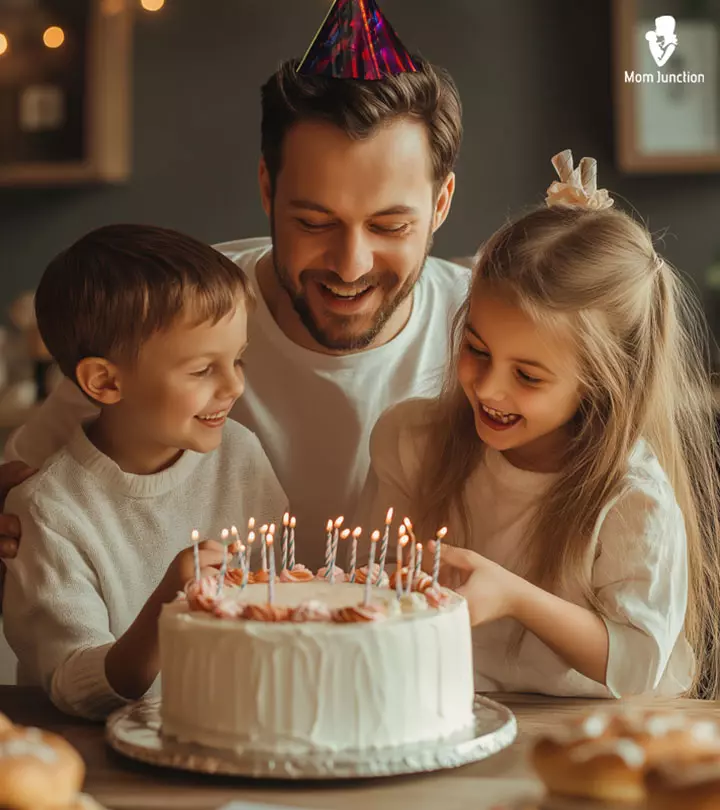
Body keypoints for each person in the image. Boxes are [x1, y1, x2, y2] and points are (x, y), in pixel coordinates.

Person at [0, 56, 466, 573]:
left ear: (441, 202)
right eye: (313, 223)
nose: (350, 265)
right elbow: (22, 480)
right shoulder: (175, 309)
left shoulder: (488, 331)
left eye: (390, 226)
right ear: (267, 187)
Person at [362, 150, 720, 699]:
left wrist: (512, 596)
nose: (487, 388)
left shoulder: (631, 499)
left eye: (527, 377)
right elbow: (374, 579)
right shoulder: (412, 440)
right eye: (476, 349)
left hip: (586, 727)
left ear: (601, 383)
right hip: (444, 707)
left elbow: (639, 663)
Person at [2, 224, 287, 718]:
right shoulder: (48, 511)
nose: (235, 386)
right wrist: (166, 607)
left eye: (237, 360)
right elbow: (75, 686)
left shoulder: (240, 456)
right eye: (202, 370)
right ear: (106, 381)